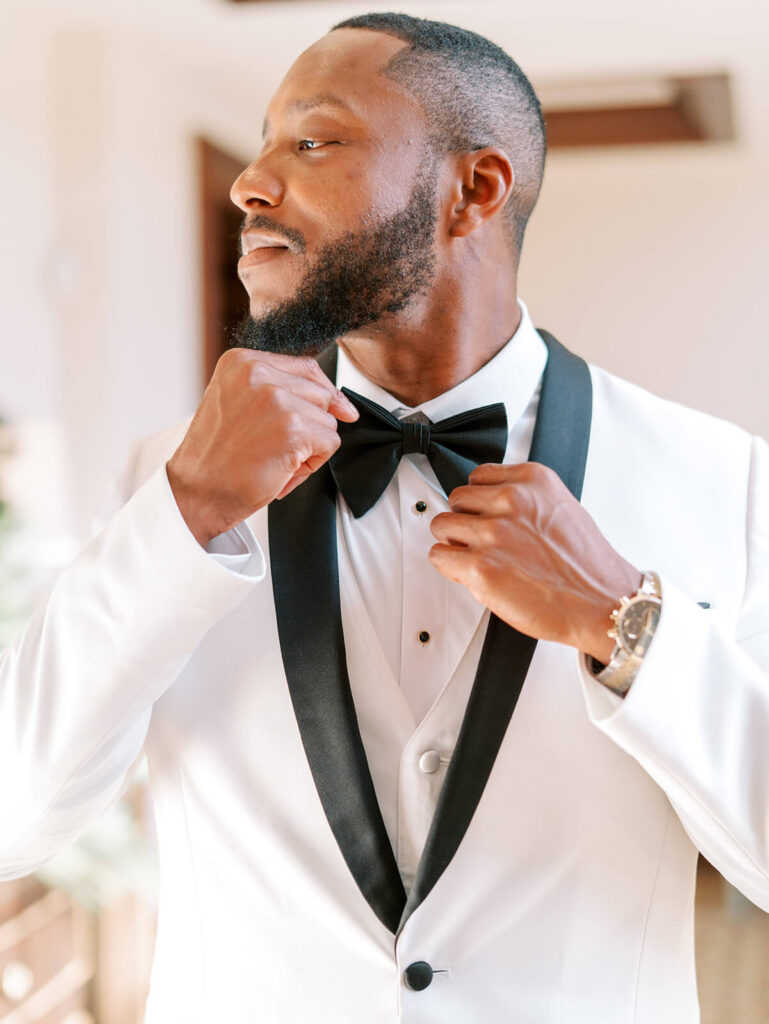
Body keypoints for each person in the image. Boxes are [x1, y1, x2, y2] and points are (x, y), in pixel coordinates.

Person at [1, 12, 767, 1024]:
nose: (250, 181)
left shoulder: (723, 479)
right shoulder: (169, 475)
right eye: (263, 139)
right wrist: (184, 515)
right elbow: (17, 815)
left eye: (311, 141)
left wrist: (621, 622)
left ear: (474, 190)